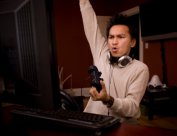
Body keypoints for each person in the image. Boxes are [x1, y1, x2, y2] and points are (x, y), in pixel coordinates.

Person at [79, 0, 149, 123]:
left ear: (132, 42)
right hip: (93, 121)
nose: (114, 42)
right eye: (111, 37)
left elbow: (132, 107)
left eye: (120, 37)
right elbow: (89, 19)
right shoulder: (101, 52)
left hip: (121, 126)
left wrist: (108, 100)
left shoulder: (140, 69)